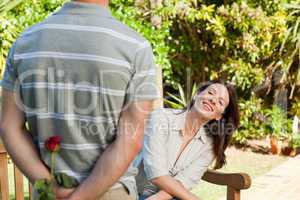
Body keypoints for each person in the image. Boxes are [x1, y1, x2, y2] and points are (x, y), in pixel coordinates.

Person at [0, 0, 159, 199]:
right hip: (112, 192)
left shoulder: (25, 42)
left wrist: (51, 188)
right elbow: (130, 139)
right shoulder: (135, 47)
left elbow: (9, 127)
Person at [139, 80, 240, 200]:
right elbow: (156, 174)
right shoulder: (161, 118)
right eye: (211, 93)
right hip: (135, 191)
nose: (213, 100)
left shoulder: (210, 145)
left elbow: (184, 182)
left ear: (218, 116)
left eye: (220, 102)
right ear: (197, 94)